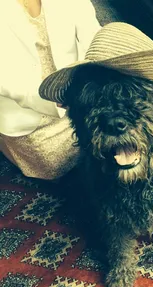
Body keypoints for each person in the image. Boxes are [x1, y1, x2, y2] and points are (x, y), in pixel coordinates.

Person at [0, 0, 101, 179]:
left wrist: (93, 83)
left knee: (121, 133)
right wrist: (57, 99)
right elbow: (6, 81)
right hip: (28, 114)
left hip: (79, 93)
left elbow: (95, 38)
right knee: (58, 166)